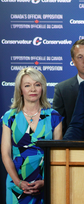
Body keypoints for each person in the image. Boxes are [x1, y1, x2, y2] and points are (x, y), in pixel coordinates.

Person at [1, 67, 63, 203]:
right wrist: (18, 182)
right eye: (27, 85)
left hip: (46, 182)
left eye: (37, 85)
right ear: (20, 90)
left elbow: (58, 155)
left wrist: (45, 181)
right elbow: (5, 153)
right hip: (16, 183)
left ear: (43, 88)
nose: (33, 89)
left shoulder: (54, 116)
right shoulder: (9, 117)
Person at [53, 39, 84, 135]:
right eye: (80, 57)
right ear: (73, 61)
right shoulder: (62, 89)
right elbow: (58, 126)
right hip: (72, 146)